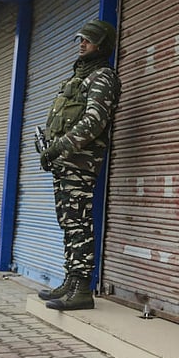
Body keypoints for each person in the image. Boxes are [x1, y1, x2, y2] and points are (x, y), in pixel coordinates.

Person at [36, 19, 121, 311]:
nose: (82, 43)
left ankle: (83, 289)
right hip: (65, 161)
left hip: (80, 162)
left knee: (79, 222)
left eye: (89, 39)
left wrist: (59, 147)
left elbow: (94, 122)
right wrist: (50, 149)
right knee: (69, 222)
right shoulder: (79, 77)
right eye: (81, 38)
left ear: (102, 45)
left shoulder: (103, 77)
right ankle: (71, 280)